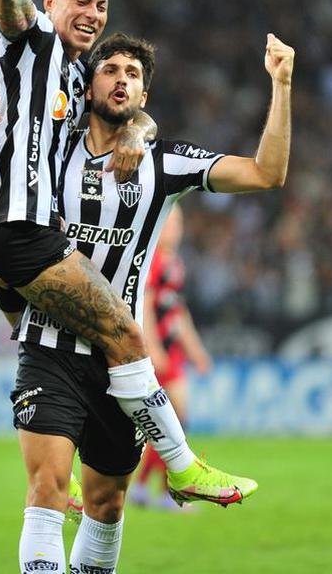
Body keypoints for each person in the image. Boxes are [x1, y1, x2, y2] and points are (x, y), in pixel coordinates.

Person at [0, 0, 260, 520]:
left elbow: (121, 112)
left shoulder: (77, 76)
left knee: (44, 336)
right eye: (80, 1)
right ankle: (183, 465)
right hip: (18, 224)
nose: (93, 13)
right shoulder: (32, 39)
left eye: (101, 5)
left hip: (17, 232)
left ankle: (59, 466)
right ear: (50, 2)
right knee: (125, 330)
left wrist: (140, 128)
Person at [0, 31, 294, 573]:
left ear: (144, 96)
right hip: (47, 348)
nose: (121, 79)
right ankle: (184, 465)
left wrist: (282, 86)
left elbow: (267, 173)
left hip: (119, 369)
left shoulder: (165, 161)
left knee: (106, 502)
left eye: (133, 74)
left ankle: (176, 470)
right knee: (48, 490)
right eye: (111, 69)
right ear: (87, 83)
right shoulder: (49, 151)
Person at [131, 204, 214, 510]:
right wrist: (152, 348)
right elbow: (146, 305)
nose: (176, 229)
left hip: (173, 353)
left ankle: (144, 488)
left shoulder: (175, 263)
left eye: (179, 223)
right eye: (171, 222)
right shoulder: (151, 261)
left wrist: (196, 351)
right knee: (175, 419)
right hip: (159, 354)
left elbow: (177, 313)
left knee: (171, 421)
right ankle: (168, 491)